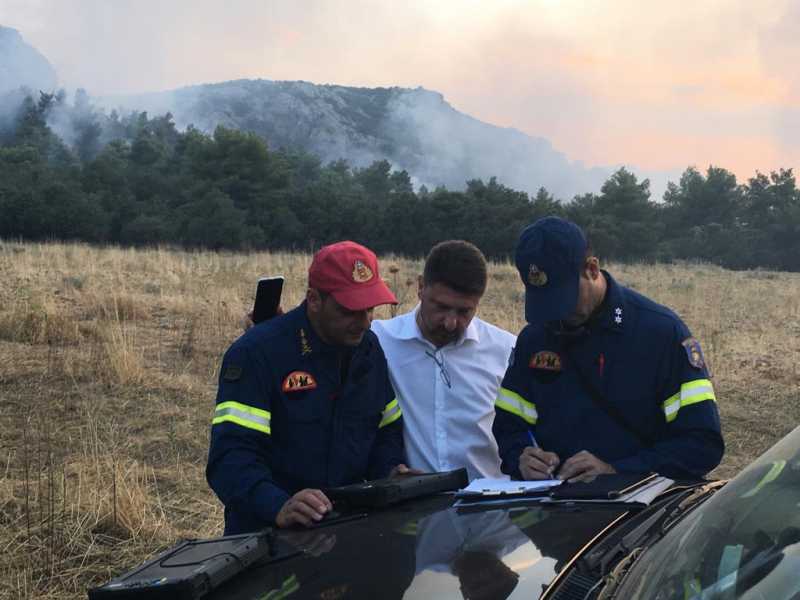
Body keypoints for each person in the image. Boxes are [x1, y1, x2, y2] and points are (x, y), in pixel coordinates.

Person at [493, 217, 724, 483]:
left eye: (564, 297)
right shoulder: (534, 338)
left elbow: (702, 445)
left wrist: (618, 470)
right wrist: (520, 456)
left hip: (643, 513)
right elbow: (509, 425)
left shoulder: (661, 333)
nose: (557, 314)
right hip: (553, 512)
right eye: (545, 301)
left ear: (592, 269)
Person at [207, 241, 410, 535]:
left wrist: (390, 473)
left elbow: (386, 428)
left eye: (369, 309)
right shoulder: (257, 354)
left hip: (347, 530)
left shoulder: (369, 348)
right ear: (314, 300)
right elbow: (230, 456)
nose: (364, 321)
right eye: (349, 311)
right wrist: (277, 505)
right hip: (269, 537)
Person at [372, 240, 516, 480]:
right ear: (420, 287)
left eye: (464, 312)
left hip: (491, 507)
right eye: (441, 307)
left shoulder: (508, 350)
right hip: (414, 508)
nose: (451, 322)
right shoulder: (379, 341)